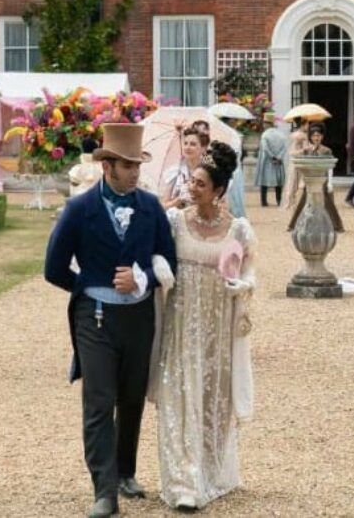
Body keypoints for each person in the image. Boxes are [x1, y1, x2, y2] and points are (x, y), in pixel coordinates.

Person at [44, 123, 178, 518]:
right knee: (99, 401)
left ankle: (125, 472)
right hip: (94, 317)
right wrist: (90, 287)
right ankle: (104, 491)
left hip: (139, 315)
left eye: (138, 164)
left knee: (132, 397)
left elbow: (170, 262)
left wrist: (144, 278)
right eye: (127, 164)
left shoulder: (151, 207)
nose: (135, 171)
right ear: (107, 166)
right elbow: (53, 268)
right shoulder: (79, 209)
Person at [152, 143, 256, 512]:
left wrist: (244, 284)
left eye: (200, 184)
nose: (192, 189)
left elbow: (249, 270)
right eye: (191, 181)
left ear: (219, 191)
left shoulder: (238, 229)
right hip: (181, 324)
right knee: (179, 396)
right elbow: (155, 250)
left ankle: (211, 471)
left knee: (214, 397)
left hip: (218, 324)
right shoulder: (174, 221)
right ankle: (184, 481)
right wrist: (159, 267)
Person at [285, 125, 343, 234]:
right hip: (310, 178)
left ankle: (336, 225)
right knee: (302, 201)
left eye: (318, 135)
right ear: (310, 137)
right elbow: (296, 158)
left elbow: (330, 166)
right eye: (314, 136)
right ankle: (293, 224)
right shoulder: (307, 150)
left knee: (328, 201)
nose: (316, 138)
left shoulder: (326, 150)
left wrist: (330, 182)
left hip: (322, 178)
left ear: (322, 137)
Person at [255, 120, 288, 209]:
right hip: (278, 161)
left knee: (264, 181)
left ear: (267, 124)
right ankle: (278, 200)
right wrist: (279, 157)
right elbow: (285, 148)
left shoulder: (265, 135)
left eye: (264, 123)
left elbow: (265, 148)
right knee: (278, 181)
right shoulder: (282, 135)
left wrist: (272, 157)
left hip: (267, 161)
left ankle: (264, 201)